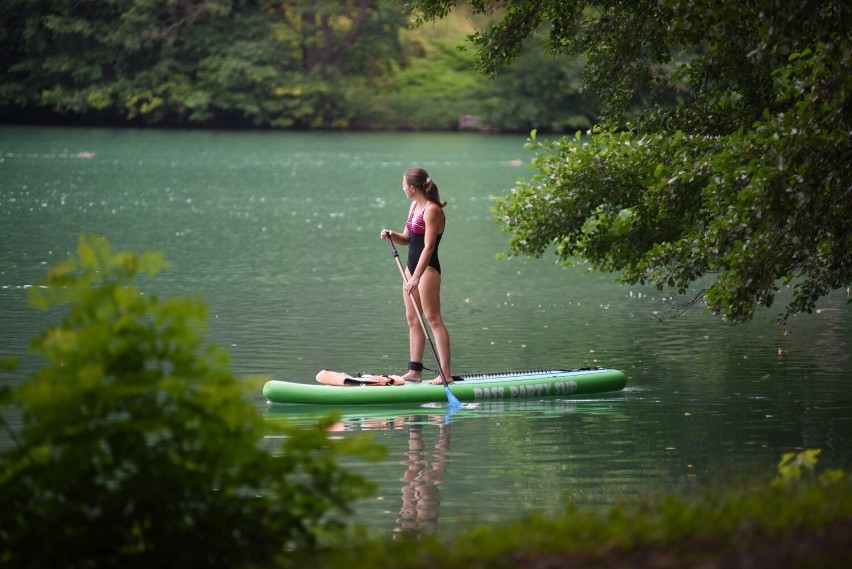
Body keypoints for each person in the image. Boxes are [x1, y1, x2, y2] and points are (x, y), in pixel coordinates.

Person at [381, 167, 452, 384]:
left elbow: (429, 247)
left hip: (427, 270)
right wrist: (391, 234)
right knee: (413, 319)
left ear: (412, 187)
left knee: (433, 318)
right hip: (411, 269)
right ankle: (415, 371)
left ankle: (445, 373)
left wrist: (416, 277)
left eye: (403, 184)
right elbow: (407, 238)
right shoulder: (414, 206)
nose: (402, 188)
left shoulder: (432, 210)